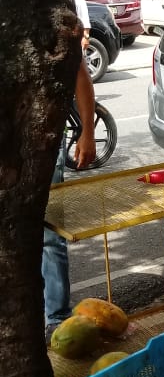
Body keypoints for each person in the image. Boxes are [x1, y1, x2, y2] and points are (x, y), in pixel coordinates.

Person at [43, 47, 97, 342]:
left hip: (46, 143)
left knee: (50, 236)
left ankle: (56, 317)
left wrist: (87, 132)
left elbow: (79, 73)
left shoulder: (46, 13)